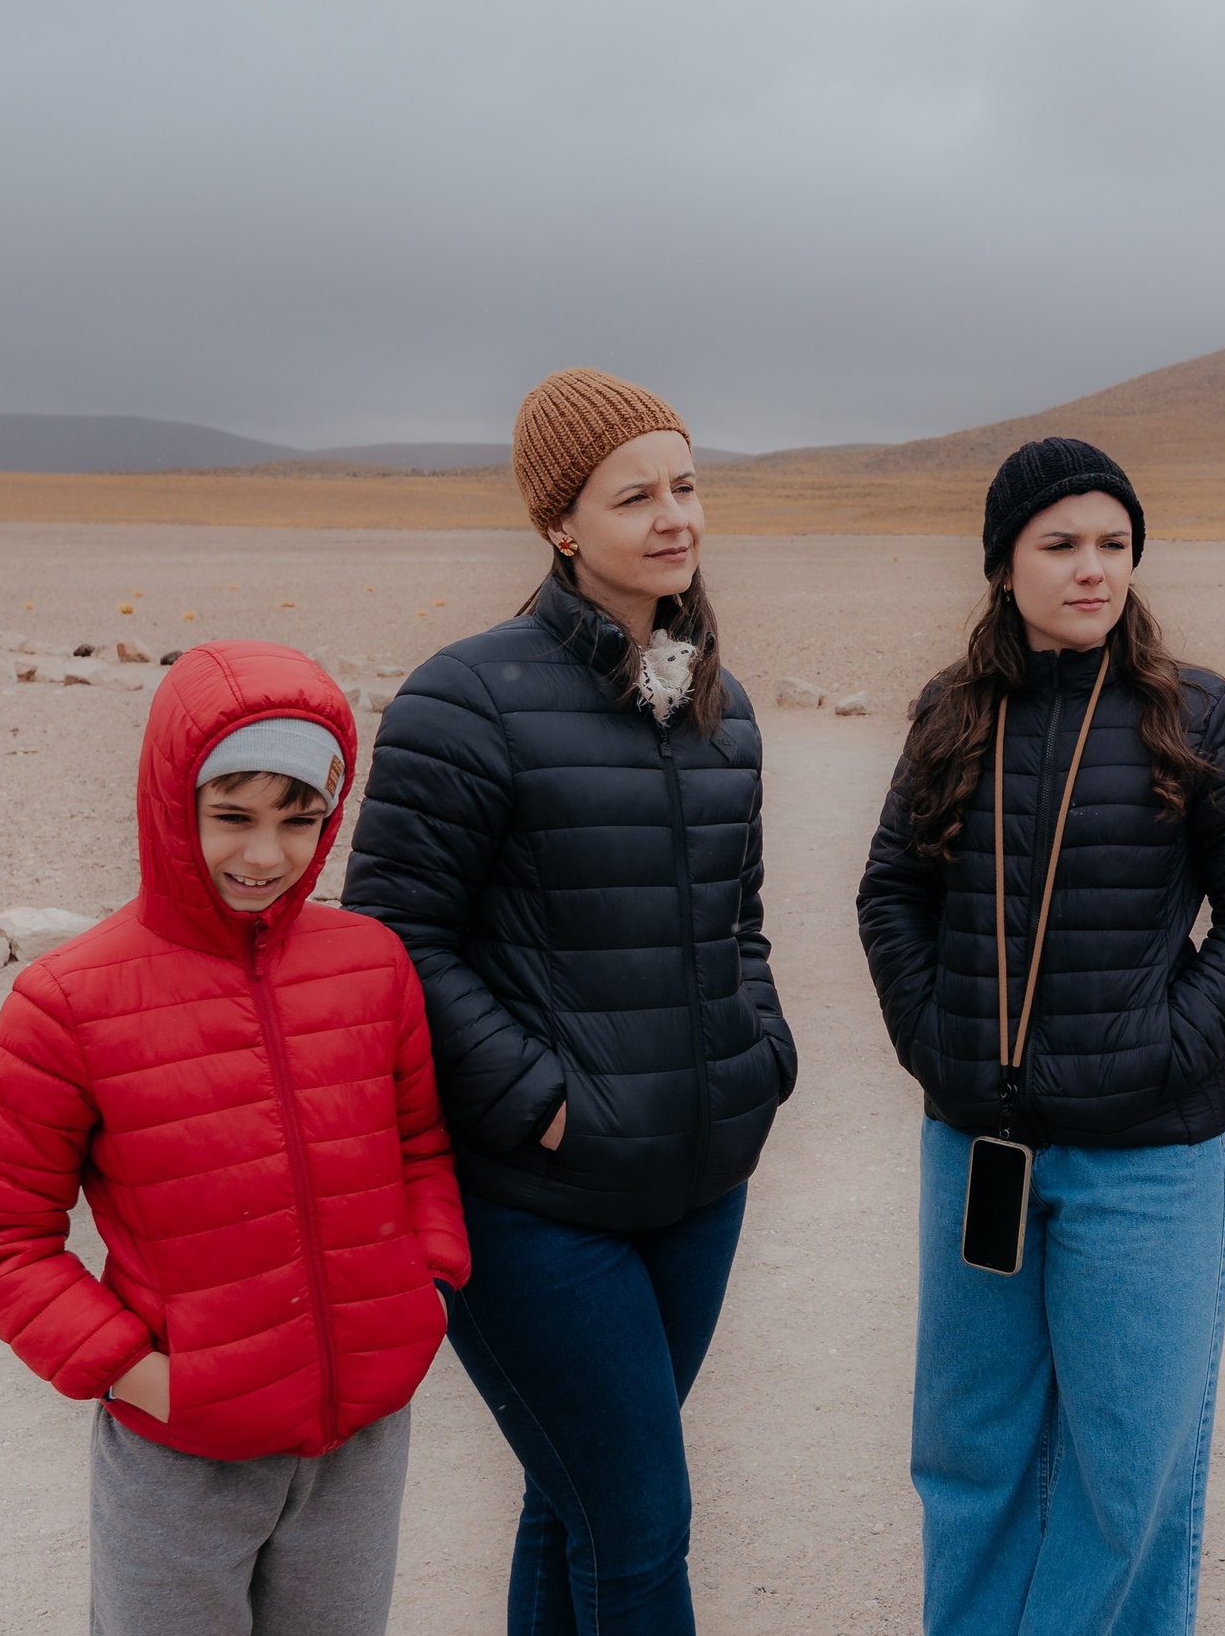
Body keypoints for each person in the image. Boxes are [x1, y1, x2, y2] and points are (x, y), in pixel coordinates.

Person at [344, 368, 797, 1633]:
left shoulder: (721, 707)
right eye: (633, 494)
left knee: (578, 1506)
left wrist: (759, 1060)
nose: (674, 518)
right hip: (539, 1205)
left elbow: (739, 918)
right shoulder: (466, 697)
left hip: (700, 1186)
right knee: (640, 1527)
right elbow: (395, 938)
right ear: (559, 523)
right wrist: (538, 1101)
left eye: (687, 485)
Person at [857, 437, 1225, 1636]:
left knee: (1130, 1474)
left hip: (1149, 1161)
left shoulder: (1191, 709)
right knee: (970, 1457)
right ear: (1005, 565)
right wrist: (932, 1044)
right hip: (978, 1152)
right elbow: (890, 892)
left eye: (1113, 544)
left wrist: (1171, 1043)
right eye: (1060, 545)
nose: (1091, 570)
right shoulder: (953, 713)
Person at [0, 641, 468, 1636]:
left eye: (300, 818)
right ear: (169, 803)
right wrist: (150, 1380)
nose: (266, 856)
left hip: (360, 1446)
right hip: (181, 1459)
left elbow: (421, 1151)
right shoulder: (66, 1002)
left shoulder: (373, 964)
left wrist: (424, 1287)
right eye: (231, 817)